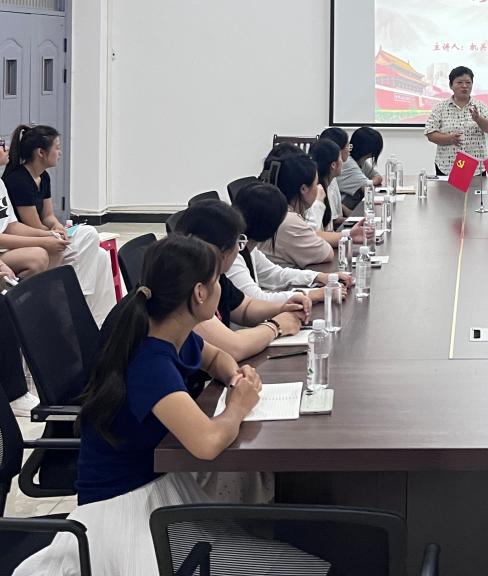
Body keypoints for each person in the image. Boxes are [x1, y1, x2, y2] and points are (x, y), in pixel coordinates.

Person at [12, 236, 315, 576]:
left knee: (270, 554)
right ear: (199, 293)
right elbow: (207, 443)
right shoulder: (149, 360)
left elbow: (215, 357)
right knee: (283, 565)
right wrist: (238, 406)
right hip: (126, 509)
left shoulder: (170, 329)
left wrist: (234, 377)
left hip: (156, 485)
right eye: (217, 281)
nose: (220, 289)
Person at [1, 124, 117, 324]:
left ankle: (102, 322)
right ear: (41, 152)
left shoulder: (14, 182)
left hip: (22, 241)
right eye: (57, 147)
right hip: (13, 248)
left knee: (99, 255)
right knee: (84, 236)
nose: (60, 152)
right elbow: (29, 226)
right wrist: (47, 238)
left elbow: (37, 219)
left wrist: (55, 229)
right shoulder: (17, 180)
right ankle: (74, 307)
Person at [177, 201, 305, 362]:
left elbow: (244, 307)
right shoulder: (183, 290)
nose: (239, 249)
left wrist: (282, 308)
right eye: (238, 242)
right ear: (221, 252)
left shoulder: (213, 274)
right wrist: (276, 326)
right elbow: (234, 348)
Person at [228, 181, 354, 305]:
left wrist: (319, 277)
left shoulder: (249, 247)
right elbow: (257, 301)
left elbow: (275, 274)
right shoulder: (232, 255)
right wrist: (314, 294)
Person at [264, 153, 341, 268]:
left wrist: (347, 235)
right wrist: (318, 202)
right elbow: (325, 253)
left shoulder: (275, 209)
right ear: (304, 189)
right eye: (316, 183)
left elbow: (311, 235)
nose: (318, 188)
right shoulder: (288, 220)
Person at [424, 66, 488, 175]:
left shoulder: (480, 106)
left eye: (468, 82)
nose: (464, 86)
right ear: (451, 85)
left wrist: (478, 119)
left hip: (476, 168)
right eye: (459, 82)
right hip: (447, 167)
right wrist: (449, 138)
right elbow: (430, 133)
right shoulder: (440, 107)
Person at [0, 136, 53, 278]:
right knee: (39, 256)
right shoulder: (18, 180)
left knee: (57, 249)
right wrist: (43, 241)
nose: (7, 149)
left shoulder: (0, 184)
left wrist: (50, 234)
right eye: (1, 144)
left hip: (4, 250)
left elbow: (12, 226)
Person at [308, 137, 344, 230]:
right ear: (333, 165)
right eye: (340, 157)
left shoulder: (328, 184)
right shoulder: (318, 192)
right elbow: (315, 232)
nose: (343, 161)